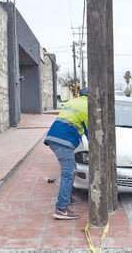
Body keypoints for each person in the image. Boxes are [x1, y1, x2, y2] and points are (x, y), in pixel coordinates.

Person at [44, 88, 88, 220]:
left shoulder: (72, 101)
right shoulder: (88, 106)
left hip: (53, 137)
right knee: (68, 173)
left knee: (71, 169)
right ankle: (61, 208)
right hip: (64, 141)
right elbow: (90, 131)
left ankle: (67, 197)